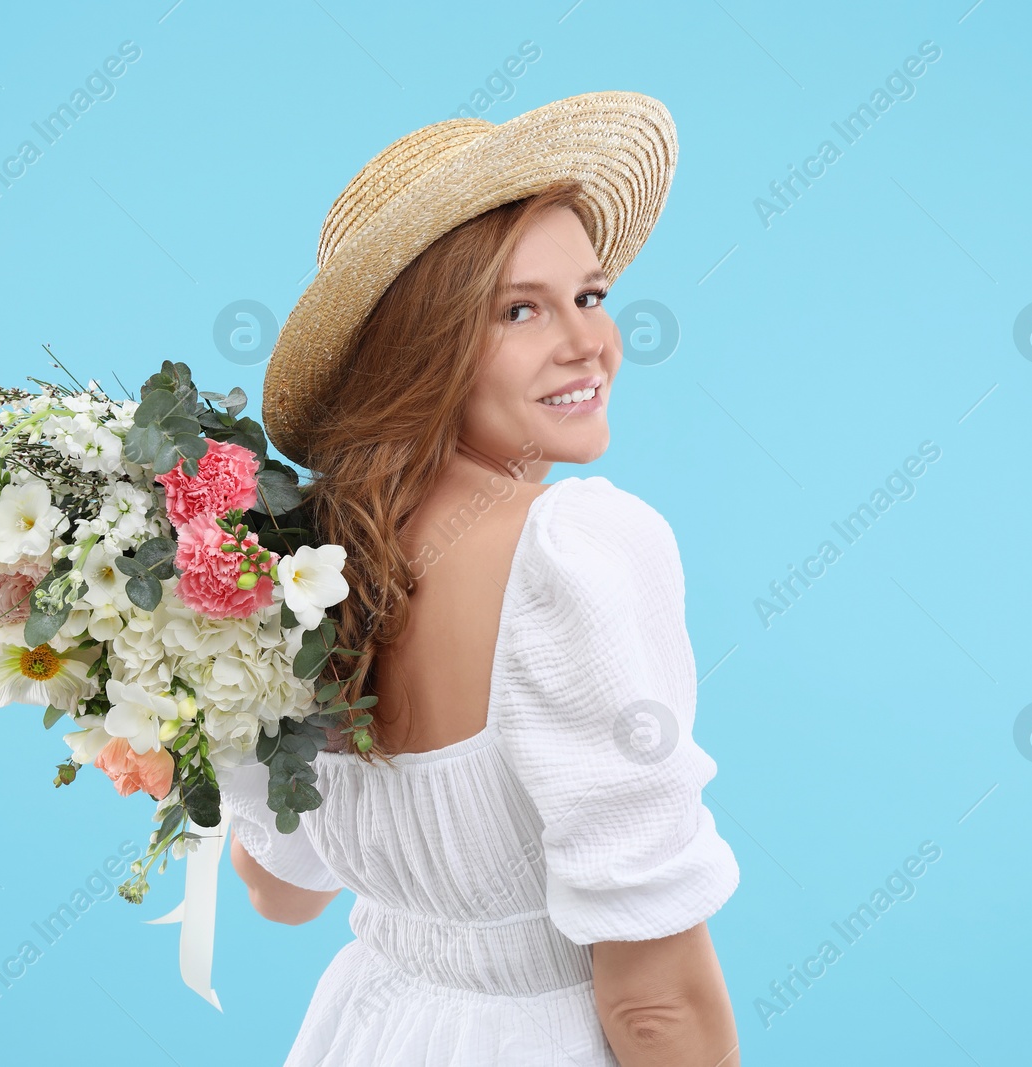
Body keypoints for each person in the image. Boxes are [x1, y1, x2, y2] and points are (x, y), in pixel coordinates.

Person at [217, 91, 742, 1066]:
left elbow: (280, 889)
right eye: (518, 309)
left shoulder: (297, 568)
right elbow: (655, 1002)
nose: (588, 341)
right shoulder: (574, 553)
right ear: (426, 346)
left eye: (587, 295)